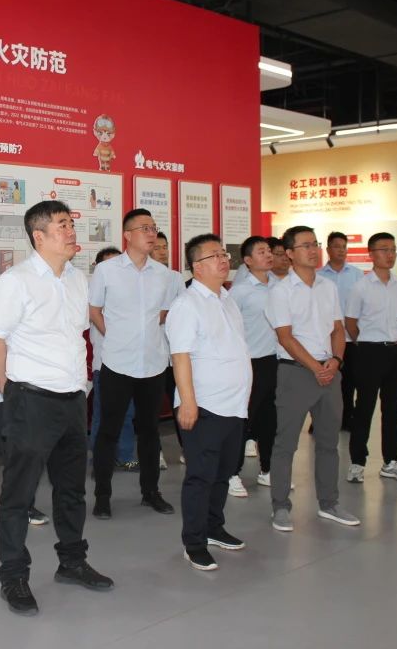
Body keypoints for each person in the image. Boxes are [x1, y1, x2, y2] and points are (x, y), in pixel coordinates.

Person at [0, 200, 113, 616]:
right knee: (19, 494)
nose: (72, 231)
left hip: (72, 399)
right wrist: (11, 387)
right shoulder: (16, 281)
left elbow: (74, 336)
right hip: (31, 400)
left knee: (72, 490)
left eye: (72, 223)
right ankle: (13, 575)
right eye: (62, 225)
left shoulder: (77, 279)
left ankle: (72, 561)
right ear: (39, 236)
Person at [265, 225, 360, 532]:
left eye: (314, 244)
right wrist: (316, 368)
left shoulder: (327, 287)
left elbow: (337, 329)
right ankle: (281, 506)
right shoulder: (280, 291)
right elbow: (285, 337)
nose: (313, 250)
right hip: (295, 372)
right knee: (286, 444)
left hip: (329, 371)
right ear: (290, 253)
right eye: (305, 245)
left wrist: (335, 361)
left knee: (329, 442)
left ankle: (329, 503)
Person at [167, 234, 250, 570]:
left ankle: (214, 527)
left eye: (224, 254)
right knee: (200, 476)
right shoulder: (187, 305)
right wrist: (188, 403)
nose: (223, 259)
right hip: (204, 406)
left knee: (223, 473)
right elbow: (180, 356)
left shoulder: (227, 299)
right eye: (214, 255)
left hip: (234, 405)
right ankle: (194, 542)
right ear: (196, 267)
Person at [90, 209, 177, 519]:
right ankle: (102, 496)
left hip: (153, 364)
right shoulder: (107, 270)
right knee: (108, 431)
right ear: (127, 235)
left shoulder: (164, 275)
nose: (152, 234)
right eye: (145, 228)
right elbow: (94, 310)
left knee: (150, 431)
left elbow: (164, 314)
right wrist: (115, 336)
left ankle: (150, 492)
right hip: (117, 363)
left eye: (154, 228)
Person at [345, 232, 397, 483]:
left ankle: (391, 461)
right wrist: (366, 343)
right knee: (364, 408)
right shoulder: (360, 287)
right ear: (371, 254)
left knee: (393, 409)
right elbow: (350, 323)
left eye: (393, 249)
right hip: (368, 352)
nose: (390, 254)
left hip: (396, 351)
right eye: (384, 249)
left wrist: (389, 338)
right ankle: (357, 462)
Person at [228, 236, 279, 497]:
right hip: (249, 363)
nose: (268, 255)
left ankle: (268, 469)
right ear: (247, 260)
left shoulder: (280, 286)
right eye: (261, 252)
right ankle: (232, 472)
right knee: (243, 420)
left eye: (269, 251)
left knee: (271, 419)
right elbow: (228, 328)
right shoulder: (240, 291)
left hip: (275, 361)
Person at [88, 247, 136, 470]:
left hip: (130, 365)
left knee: (127, 412)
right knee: (103, 414)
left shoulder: (129, 295)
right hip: (105, 365)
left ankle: (123, 455)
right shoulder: (95, 298)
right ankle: (103, 457)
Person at [319, 231, 363, 431]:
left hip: (350, 338)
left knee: (350, 381)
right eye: (337, 246)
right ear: (328, 249)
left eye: (344, 247)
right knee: (325, 381)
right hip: (326, 339)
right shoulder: (318, 275)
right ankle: (320, 421)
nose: (341, 250)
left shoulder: (356, 275)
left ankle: (347, 418)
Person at [152, 231, 183, 467]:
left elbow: (181, 312)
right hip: (151, 353)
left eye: (165, 247)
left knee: (180, 403)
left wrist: (164, 314)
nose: (163, 251)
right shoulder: (142, 277)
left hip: (175, 354)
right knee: (151, 408)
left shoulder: (175, 278)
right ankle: (156, 453)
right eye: (157, 247)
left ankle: (187, 449)